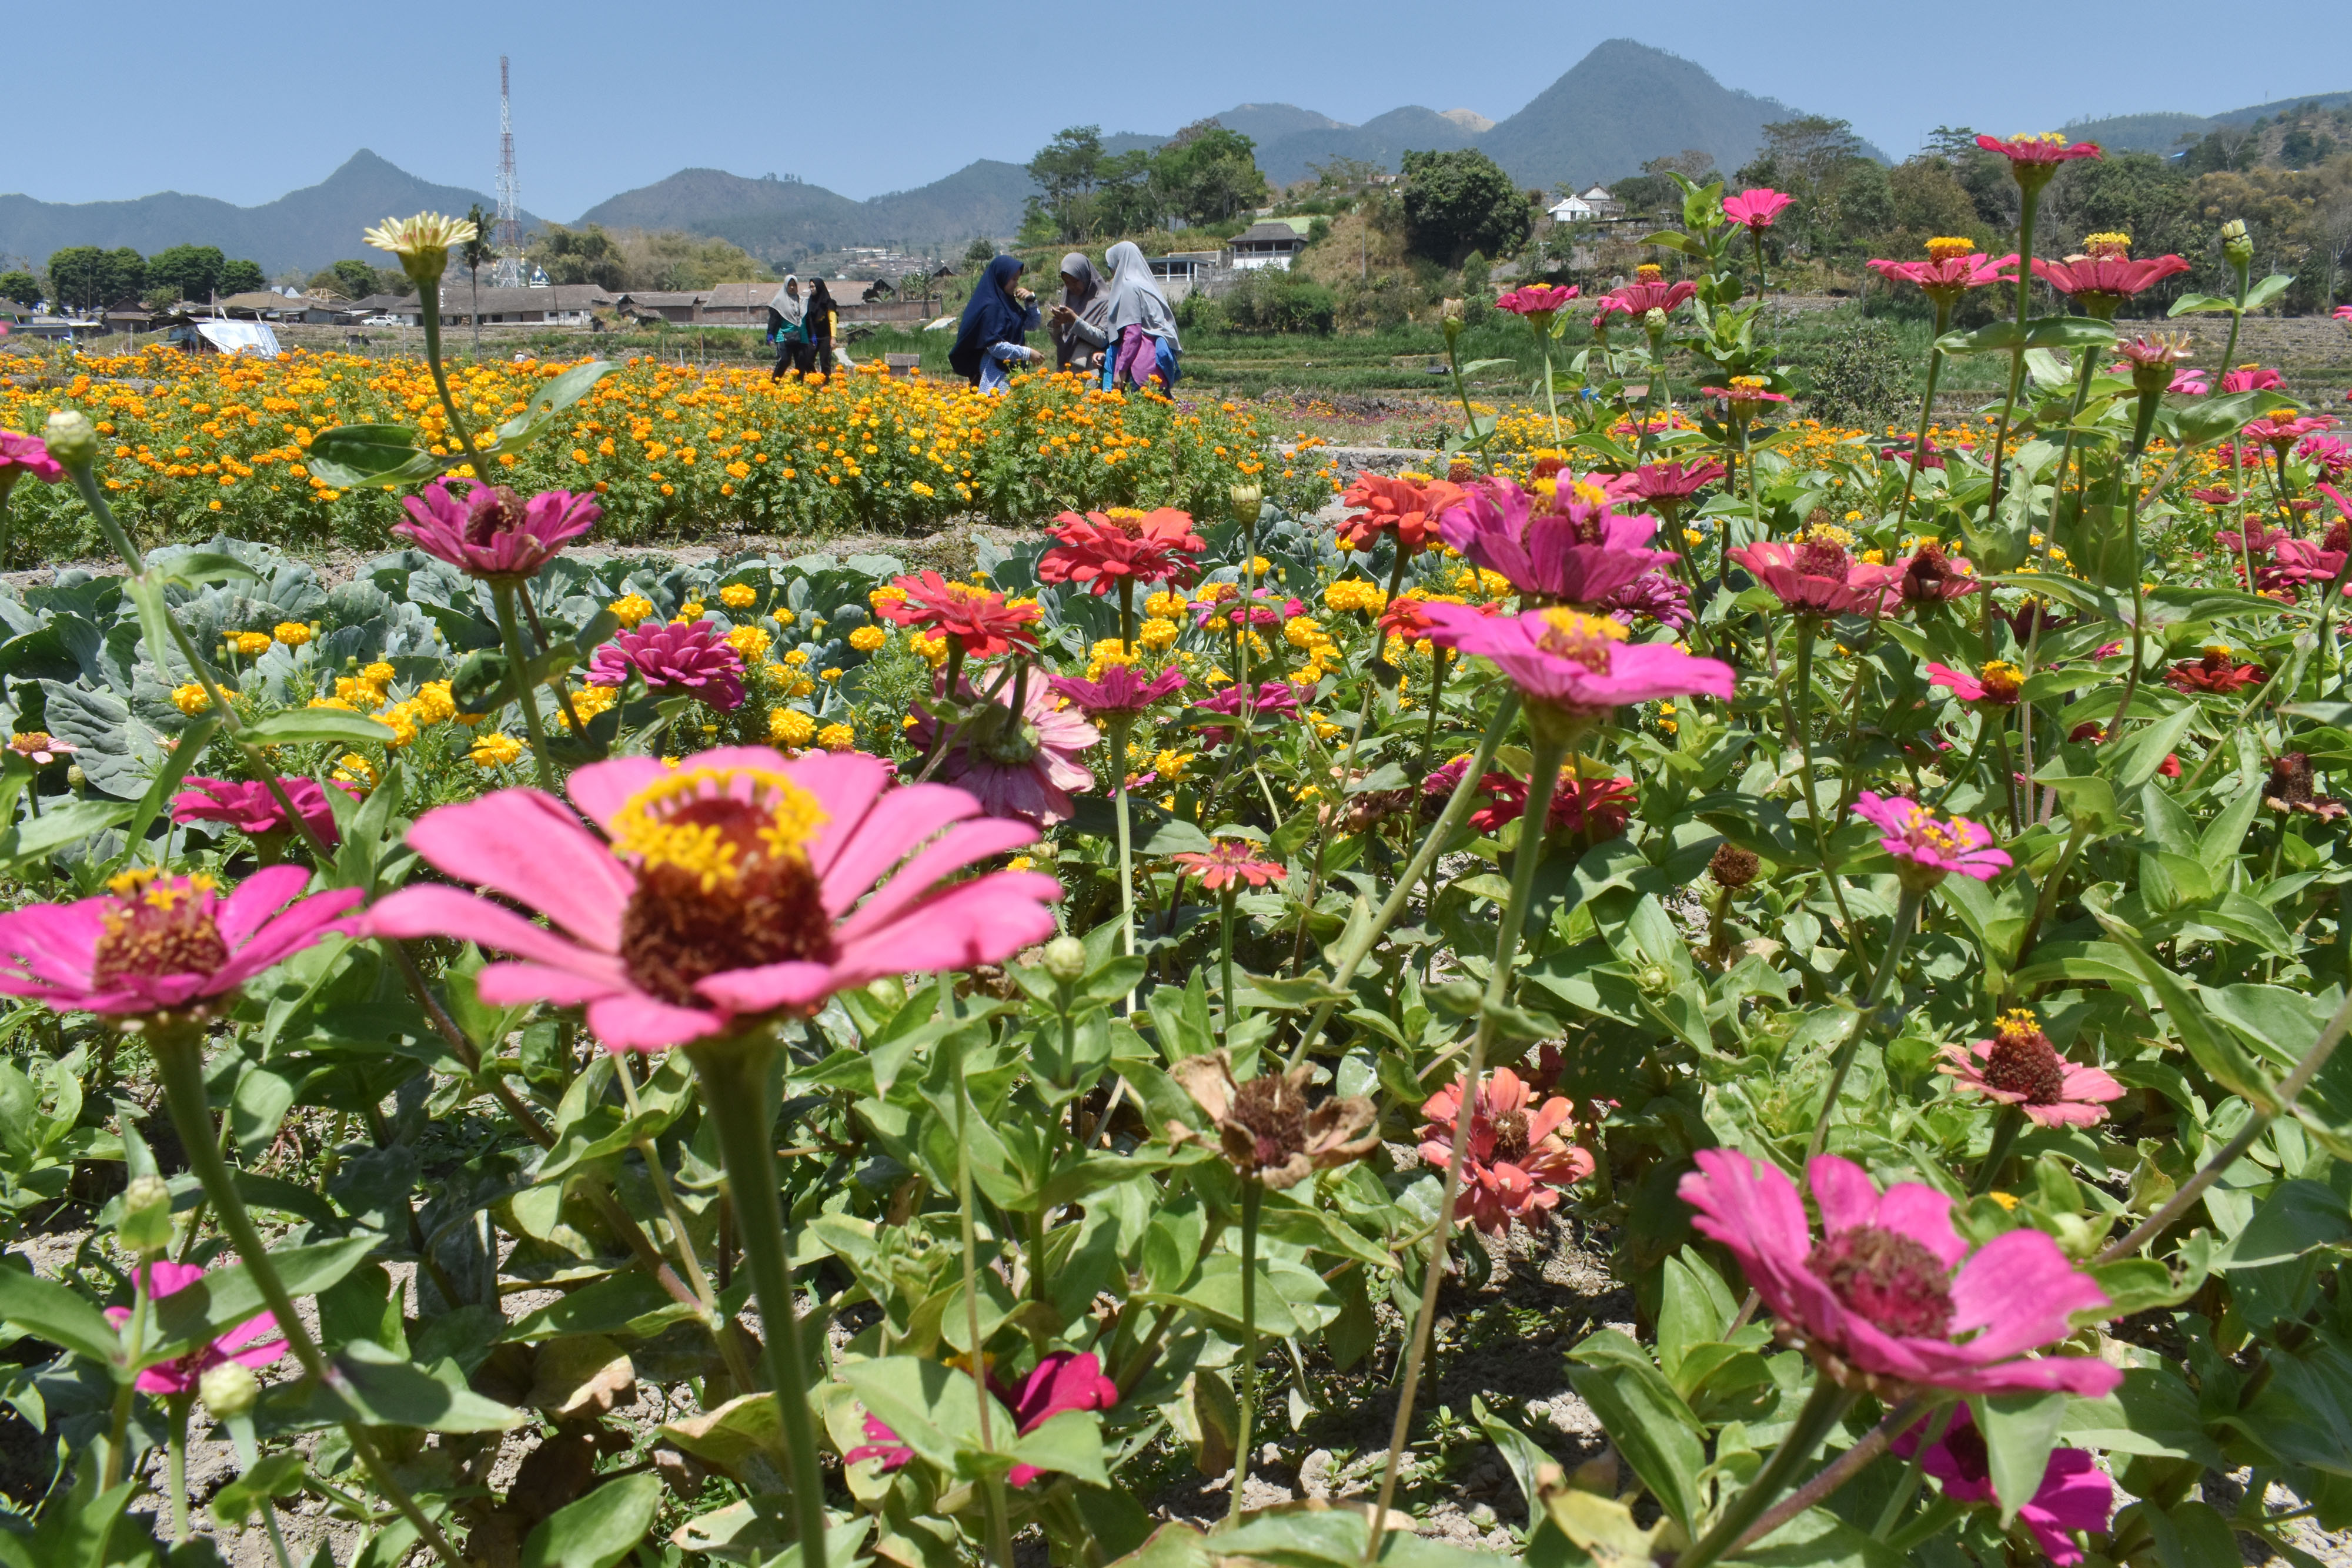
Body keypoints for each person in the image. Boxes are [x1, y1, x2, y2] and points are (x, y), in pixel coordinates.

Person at [948, 255, 1043, 393]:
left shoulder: (1008, 304)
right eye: (1013, 279)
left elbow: (1032, 324)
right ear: (1002, 277)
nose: (1017, 284)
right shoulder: (991, 306)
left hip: (1013, 372)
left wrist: (1031, 301)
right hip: (996, 377)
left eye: (1018, 279)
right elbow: (995, 347)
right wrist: (1027, 353)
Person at [1103, 240, 1180, 393]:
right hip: (1157, 369)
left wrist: (1121, 370)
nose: (1112, 272)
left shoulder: (1129, 287)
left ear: (1119, 264)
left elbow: (1133, 334)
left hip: (1140, 369)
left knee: (1132, 415)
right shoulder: (1147, 285)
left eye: (1111, 267)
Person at [1048, 252, 1111, 374]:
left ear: (1085, 276)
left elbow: (1103, 339)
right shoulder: (1069, 299)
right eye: (1067, 282)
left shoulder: (1104, 300)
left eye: (1075, 281)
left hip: (1089, 371)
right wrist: (1056, 326)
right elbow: (1061, 341)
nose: (1071, 287)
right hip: (1065, 370)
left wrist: (1074, 320)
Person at [766, 276, 807, 380]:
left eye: (794, 285)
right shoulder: (779, 302)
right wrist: (770, 333)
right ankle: (774, 382)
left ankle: (798, 386)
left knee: (801, 361)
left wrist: (812, 335)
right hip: (783, 336)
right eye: (790, 285)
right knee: (785, 360)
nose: (792, 288)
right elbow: (774, 320)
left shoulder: (801, 301)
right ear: (786, 286)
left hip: (799, 336)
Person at [804, 278, 838, 379]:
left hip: (826, 337)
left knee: (825, 363)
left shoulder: (829, 303)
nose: (811, 289)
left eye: (813, 287)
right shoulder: (809, 302)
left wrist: (833, 337)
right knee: (807, 360)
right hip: (813, 337)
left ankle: (826, 384)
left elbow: (833, 321)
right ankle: (816, 380)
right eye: (810, 287)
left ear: (819, 287)